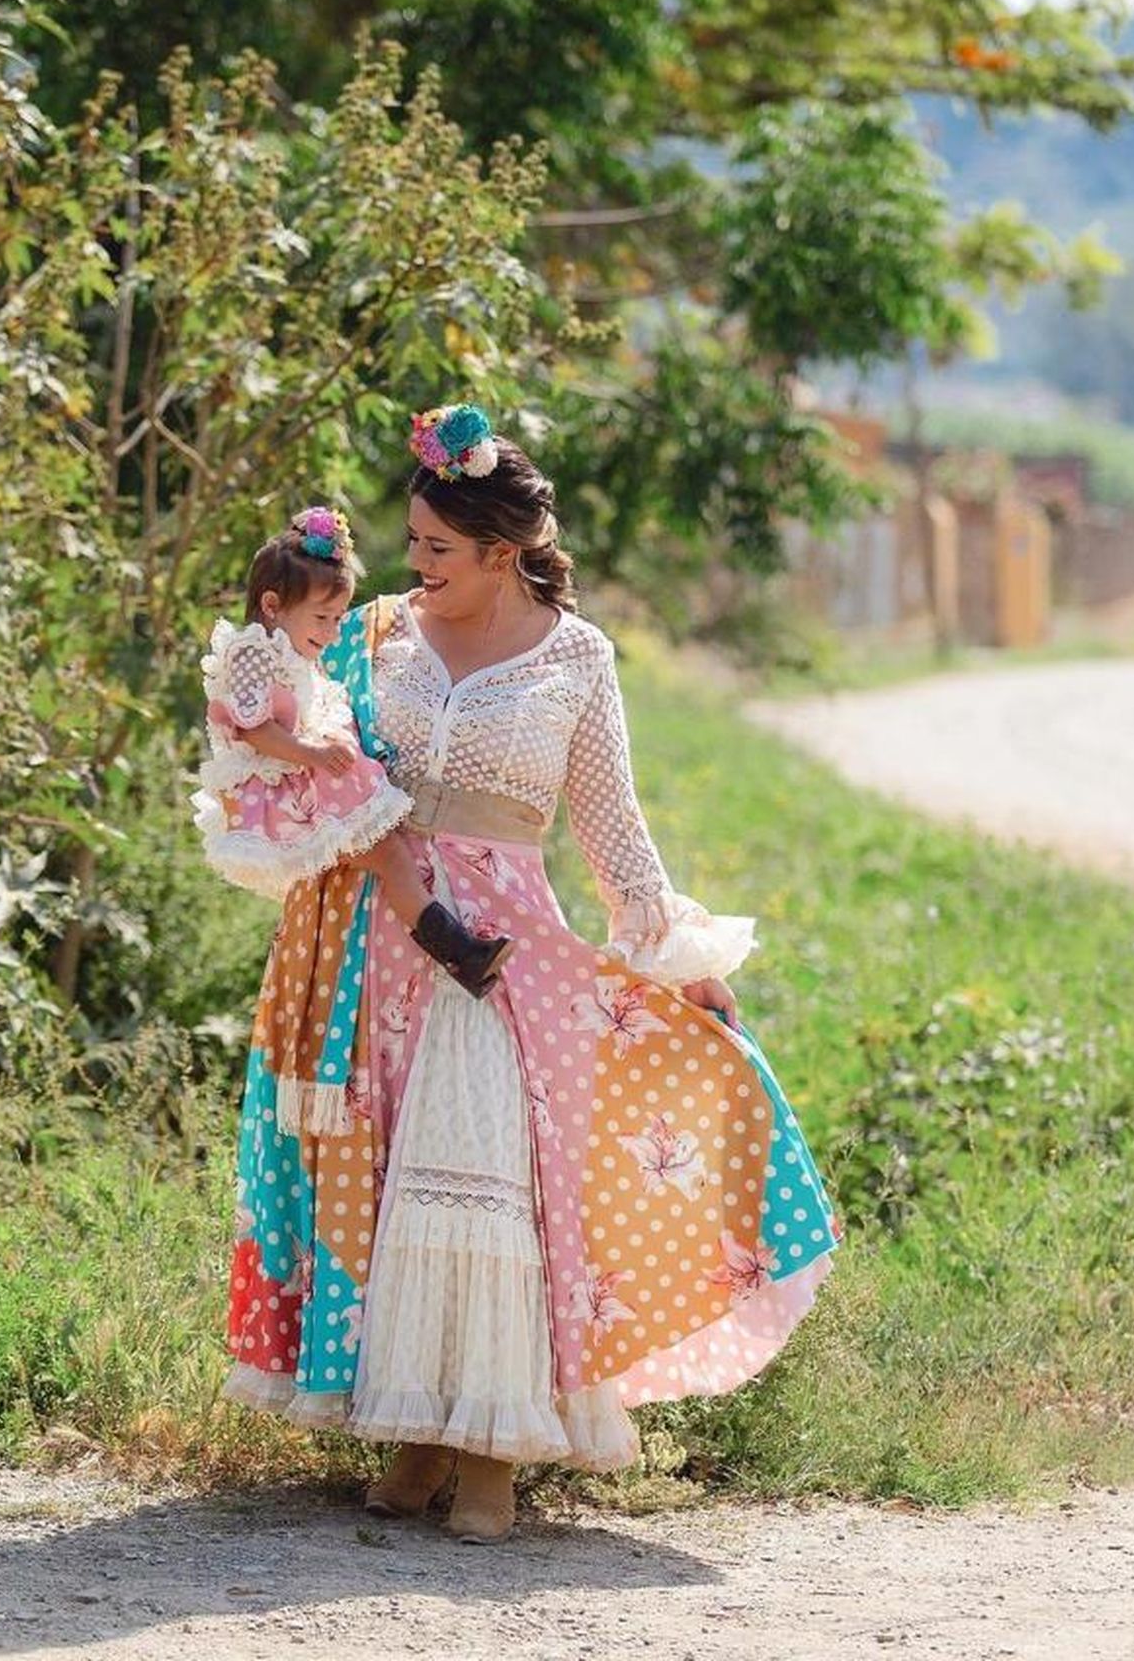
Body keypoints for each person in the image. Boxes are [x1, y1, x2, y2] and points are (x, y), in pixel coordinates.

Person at [222, 408, 842, 1543]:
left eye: (437, 550)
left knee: (494, 1180)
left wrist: (678, 956)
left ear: (502, 552)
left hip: (509, 952)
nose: (414, 567)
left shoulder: (575, 655)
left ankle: (493, 1454)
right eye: (410, 543)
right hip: (385, 940)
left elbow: (610, 826)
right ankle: (416, 1432)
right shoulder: (371, 636)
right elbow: (307, 755)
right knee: (400, 1187)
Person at [194, 505, 513, 1024]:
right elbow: (253, 728)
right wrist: (315, 755)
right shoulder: (251, 650)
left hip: (302, 776)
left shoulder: (283, 647)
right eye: (323, 618)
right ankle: (458, 952)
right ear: (272, 605)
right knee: (387, 855)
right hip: (285, 785)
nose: (334, 631)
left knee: (388, 854)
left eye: (340, 618)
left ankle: (457, 951)